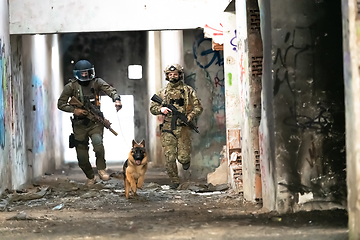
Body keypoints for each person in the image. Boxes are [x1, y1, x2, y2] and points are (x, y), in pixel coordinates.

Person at [57, 60, 122, 186]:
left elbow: (109, 89)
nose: (85, 75)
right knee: (82, 157)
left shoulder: (96, 82)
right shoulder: (71, 87)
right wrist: (74, 110)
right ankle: (90, 176)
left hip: (95, 122)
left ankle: (101, 170)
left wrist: (117, 99)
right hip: (79, 125)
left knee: (98, 144)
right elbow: (61, 104)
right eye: (83, 73)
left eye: (87, 72)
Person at [150, 64, 203, 189]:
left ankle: (186, 161)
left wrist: (190, 116)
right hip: (168, 128)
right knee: (170, 156)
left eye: (175, 74)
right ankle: (174, 180)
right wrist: (161, 109)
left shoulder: (188, 91)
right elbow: (152, 108)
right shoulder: (162, 93)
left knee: (183, 157)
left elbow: (198, 107)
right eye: (170, 74)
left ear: (180, 75)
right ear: (167, 76)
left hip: (183, 127)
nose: (173, 76)